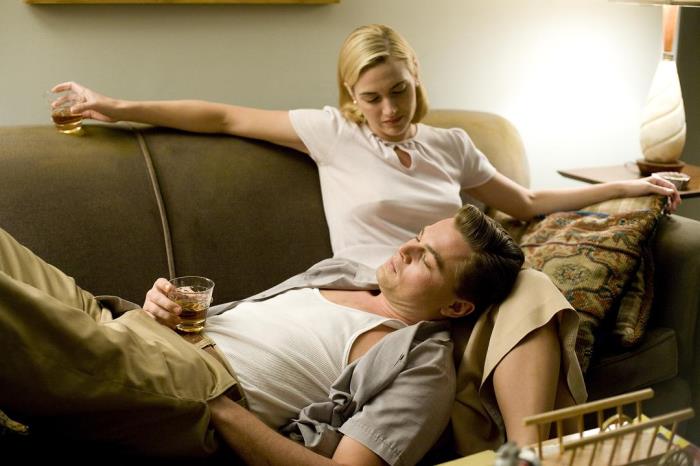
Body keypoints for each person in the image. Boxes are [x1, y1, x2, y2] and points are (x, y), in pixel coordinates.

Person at [49, 22, 674, 452]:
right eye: (371, 98)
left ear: (416, 76)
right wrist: (114, 105)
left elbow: (528, 202)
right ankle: (541, 448)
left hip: (454, 297)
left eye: (399, 91)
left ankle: (528, 450)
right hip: (383, 306)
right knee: (528, 289)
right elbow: (223, 115)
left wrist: (629, 186)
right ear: (351, 95)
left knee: (529, 283)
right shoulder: (334, 134)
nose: (389, 111)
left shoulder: (450, 145)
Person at [1, 205, 525, 465]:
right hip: (134, 327)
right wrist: (164, 309)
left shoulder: (422, 365)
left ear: (456, 306)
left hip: (188, 385)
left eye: (426, 260)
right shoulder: (341, 272)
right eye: (416, 237)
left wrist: (221, 408)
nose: (405, 250)